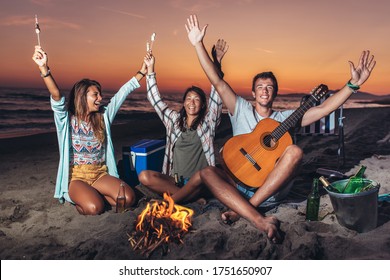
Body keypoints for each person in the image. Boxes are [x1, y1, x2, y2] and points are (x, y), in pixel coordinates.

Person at [185, 14, 376, 241]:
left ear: (274, 93)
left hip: (268, 193)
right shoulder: (240, 108)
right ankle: (255, 216)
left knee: (295, 151)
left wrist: (352, 85)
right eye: (260, 87)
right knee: (207, 172)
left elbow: (324, 109)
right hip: (234, 186)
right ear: (253, 93)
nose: (265, 90)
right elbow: (217, 81)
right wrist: (198, 44)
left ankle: (246, 210)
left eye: (270, 87)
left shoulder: (288, 117)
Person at [32, 45, 147, 215]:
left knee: (129, 199)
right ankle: (84, 198)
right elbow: (56, 96)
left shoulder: (103, 117)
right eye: (95, 94)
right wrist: (44, 69)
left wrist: (142, 72)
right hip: (76, 177)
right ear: (82, 97)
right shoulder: (66, 119)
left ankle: (95, 194)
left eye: (100, 94)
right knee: (94, 208)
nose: (100, 98)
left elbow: (122, 93)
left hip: (100, 174)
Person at [138, 40, 228, 203]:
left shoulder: (208, 123)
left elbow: (217, 94)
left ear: (202, 105)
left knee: (199, 181)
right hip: (176, 182)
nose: (192, 102)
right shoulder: (173, 120)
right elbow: (155, 100)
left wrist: (217, 63)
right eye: (188, 98)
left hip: (201, 183)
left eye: (196, 99)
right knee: (144, 176)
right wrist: (150, 68)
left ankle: (183, 198)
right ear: (184, 102)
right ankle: (188, 197)